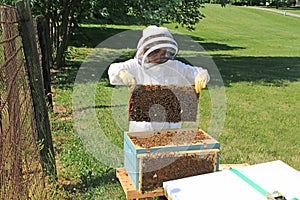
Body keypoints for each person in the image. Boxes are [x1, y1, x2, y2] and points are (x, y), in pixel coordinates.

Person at [108, 25, 210, 131]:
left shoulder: (175, 66)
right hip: (142, 129)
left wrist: (201, 75)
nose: (158, 57)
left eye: (162, 53)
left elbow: (196, 72)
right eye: (154, 53)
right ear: (145, 50)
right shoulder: (136, 65)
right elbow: (114, 68)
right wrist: (122, 73)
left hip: (171, 128)